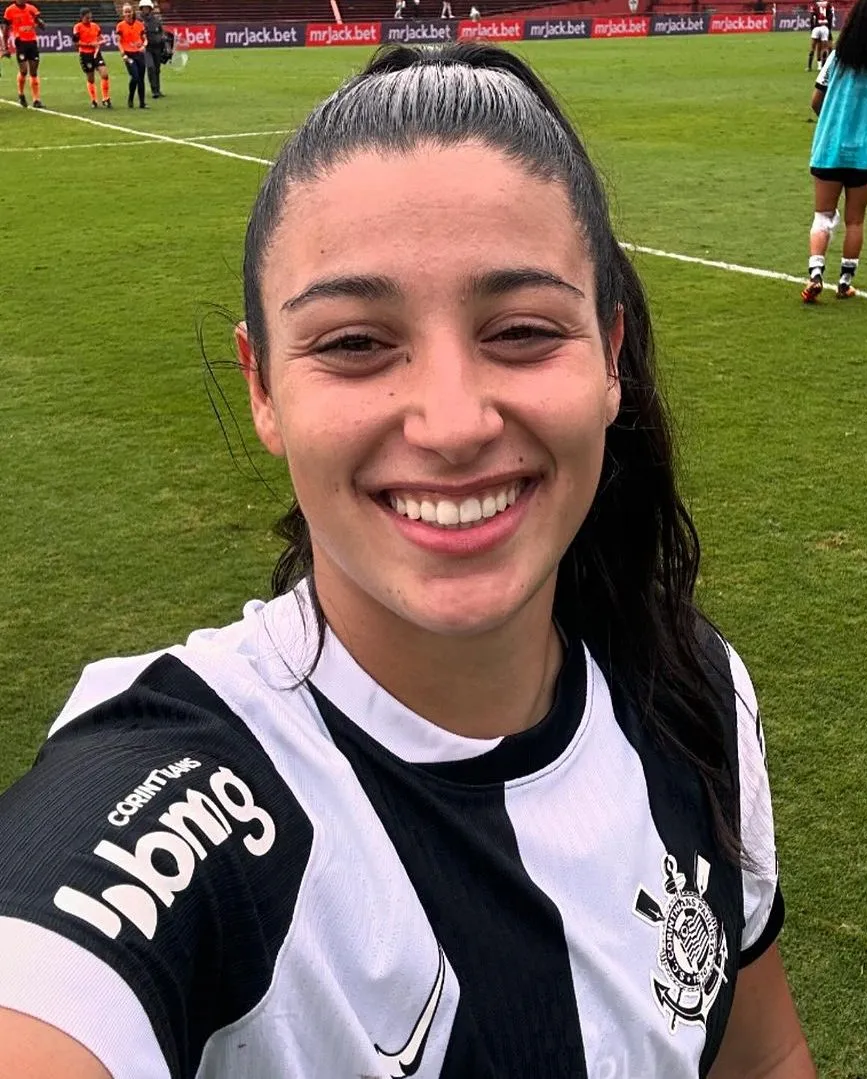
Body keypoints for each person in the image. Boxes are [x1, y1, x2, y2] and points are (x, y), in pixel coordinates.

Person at [0, 42, 815, 1079]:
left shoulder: (690, 682)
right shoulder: (190, 798)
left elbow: (764, 1052)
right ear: (263, 388)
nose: (452, 421)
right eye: (353, 343)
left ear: (610, 355)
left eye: (521, 329)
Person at [802, 0, 867, 301]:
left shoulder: (835, 58)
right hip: (865, 152)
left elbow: (815, 101)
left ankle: (815, 274)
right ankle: (845, 282)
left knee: (822, 216)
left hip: (829, 148)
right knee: (855, 220)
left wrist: (833, 125)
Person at [1, 0, 45, 108]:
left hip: (32, 42)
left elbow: (42, 26)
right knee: (24, 71)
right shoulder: (10, 10)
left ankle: (36, 99)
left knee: (34, 71)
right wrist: (5, 47)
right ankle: (21, 94)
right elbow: (6, 30)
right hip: (20, 42)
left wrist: (38, 21)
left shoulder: (31, 8)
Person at [72, 8, 111, 108]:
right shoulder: (78, 27)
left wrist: (100, 42)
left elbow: (101, 39)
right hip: (85, 55)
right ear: (82, 17)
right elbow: (76, 42)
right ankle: (94, 100)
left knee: (104, 74)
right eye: (87, 18)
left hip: (96, 53)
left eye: (91, 17)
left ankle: (106, 98)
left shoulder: (95, 26)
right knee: (91, 78)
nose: (89, 19)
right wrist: (89, 44)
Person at [116, 2, 148, 108]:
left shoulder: (139, 24)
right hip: (128, 54)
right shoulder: (120, 26)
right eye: (126, 12)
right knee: (135, 77)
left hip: (139, 53)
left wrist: (144, 45)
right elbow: (119, 41)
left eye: (129, 11)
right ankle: (130, 98)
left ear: (133, 11)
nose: (128, 13)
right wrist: (123, 54)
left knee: (141, 78)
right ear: (123, 13)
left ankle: (142, 103)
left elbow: (145, 39)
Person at [138, 0, 166, 99]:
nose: (145, 9)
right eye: (144, 7)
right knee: (151, 67)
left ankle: (158, 89)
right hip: (146, 48)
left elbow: (161, 32)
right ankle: (154, 90)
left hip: (157, 48)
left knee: (157, 69)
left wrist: (163, 40)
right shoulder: (138, 21)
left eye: (147, 7)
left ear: (150, 8)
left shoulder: (156, 20)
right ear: (141, 9)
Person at [807, 0, 835, 70]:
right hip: (825, 27)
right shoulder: (828, 4)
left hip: (816, 27)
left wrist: (812, 28)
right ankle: (824, 66)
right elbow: (831, 16)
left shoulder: (815, 4)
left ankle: (810, 67)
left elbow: (811, 18)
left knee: (814, 47)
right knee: (826, 48)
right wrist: (829, 28)